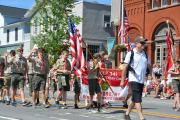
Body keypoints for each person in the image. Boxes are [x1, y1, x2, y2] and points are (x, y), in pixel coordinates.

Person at [121, 36, 151, 120]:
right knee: (138, 99)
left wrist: (152, 76)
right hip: (133, 79)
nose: (143, 44)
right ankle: (141, 118)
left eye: (144, 43)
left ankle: (127, 114)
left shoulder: (145, 54)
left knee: (134, 99)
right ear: (137, 44)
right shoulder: (131, 53)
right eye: (142, 43)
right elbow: (125, 67)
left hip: (141, 80)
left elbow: (149, 66)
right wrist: (122, 80)